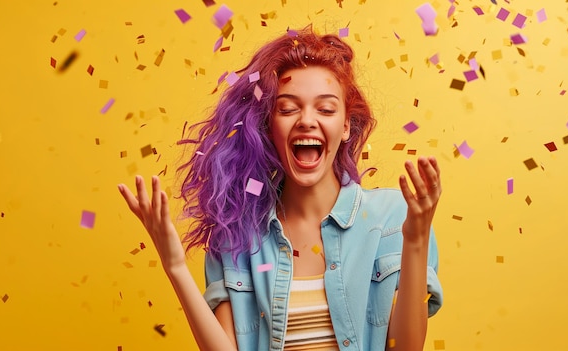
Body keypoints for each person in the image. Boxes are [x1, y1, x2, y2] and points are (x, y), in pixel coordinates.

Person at [118, 25, 443, 351]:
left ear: (345, 125)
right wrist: (175, 266)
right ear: (267, 125)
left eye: (326, 109)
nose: (306, 120)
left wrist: (415, 241)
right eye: (287, 108)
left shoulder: (392, 220)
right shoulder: (235, 236)